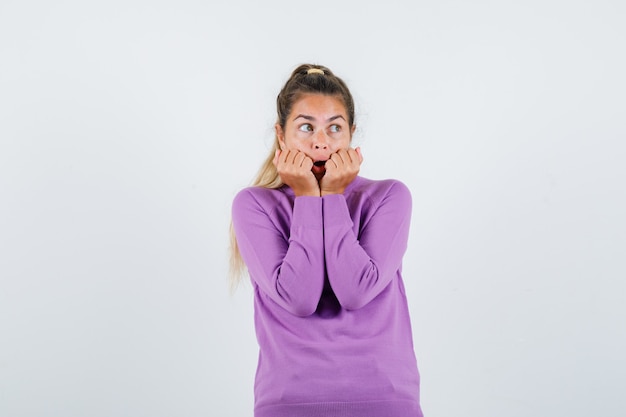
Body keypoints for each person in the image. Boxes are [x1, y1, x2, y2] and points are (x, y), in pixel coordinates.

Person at [230, 64, 423, 417]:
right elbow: (298, 298)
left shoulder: (389, 197)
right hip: (289, 404)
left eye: (334, 127)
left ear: (351, 134)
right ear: (281, 136)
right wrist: (307, 197)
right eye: (306, 127)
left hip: (385, 400)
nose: (321, 141)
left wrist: (331, 193)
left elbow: (356, 291)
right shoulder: (254, 204)